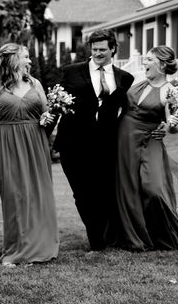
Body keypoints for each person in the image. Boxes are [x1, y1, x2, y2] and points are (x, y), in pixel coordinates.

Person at [54, 29, 134, 251]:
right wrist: (45, 135)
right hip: (74, 143)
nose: (97, 53)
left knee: (103, 192)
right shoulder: (71, 72)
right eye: (94, 49)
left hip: (106, 144)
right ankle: (96, 240)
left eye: (102, 49)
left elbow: (129, 111)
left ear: (113, 49)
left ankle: (104, 234)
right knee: (81, 192)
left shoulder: (125, 78)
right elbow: (57, 104)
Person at [0, 43, 59, 266]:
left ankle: (40, 246)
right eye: (26, 57)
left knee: (37, 193)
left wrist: (49, 117)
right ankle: (16, 249)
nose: (30, 61)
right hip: (7, 145)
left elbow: (46, 113)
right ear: (12, 60)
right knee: (15, 195)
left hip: (35, 142)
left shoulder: (35, 83)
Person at [110, 46, 178, 251]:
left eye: (149, 60)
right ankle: (133, 236)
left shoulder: (170, 91)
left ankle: (165, 234)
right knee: (127, 188)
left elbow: (175, 128)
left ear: (162, 64)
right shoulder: (137, 81)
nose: (144, 63)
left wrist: (171, 124)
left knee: (153, 189)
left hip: (149, 140)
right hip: (124, 141)